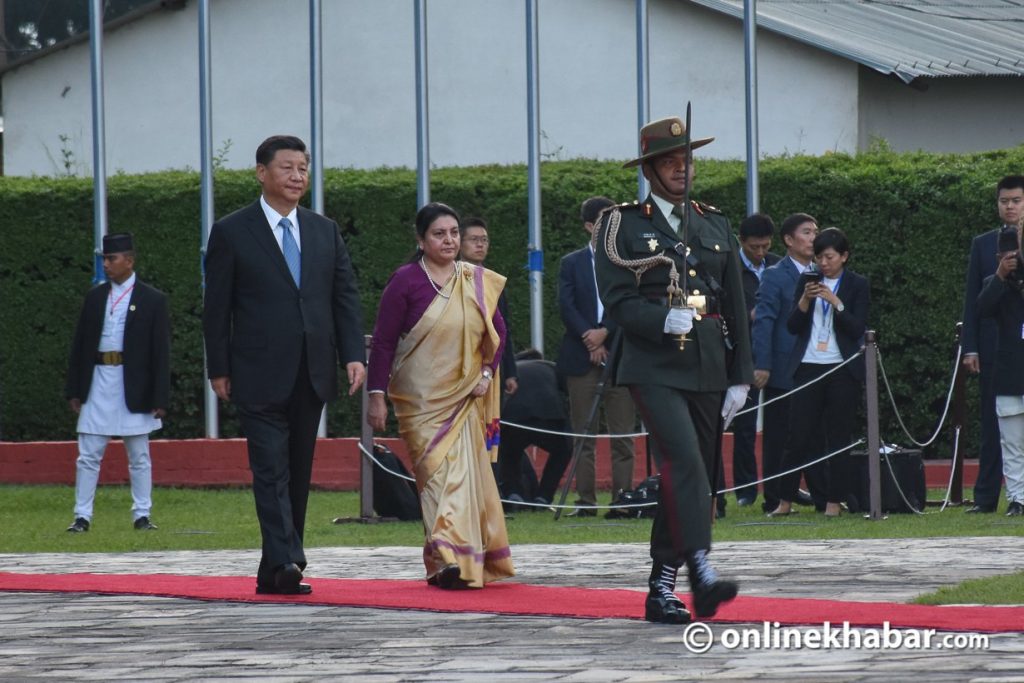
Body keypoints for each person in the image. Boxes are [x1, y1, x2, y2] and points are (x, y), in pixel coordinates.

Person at [593, 115, 749, 624]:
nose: (682, 170)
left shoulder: (714, 222)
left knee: (694, 475)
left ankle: (662, 587)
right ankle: (701, 570)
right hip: (652, 362)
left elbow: (734, 303)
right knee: (683, 462)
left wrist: (741, 373)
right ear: (650, 171)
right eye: (670, 162)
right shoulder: (622, 224)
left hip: (707, 362)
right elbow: (617, 303)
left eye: (687, 160)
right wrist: (663, 319)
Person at [202, 135, 365, 596]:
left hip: (311, 370)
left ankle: (274, 569)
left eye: (303, 168)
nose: (297, 177)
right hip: (256, 371)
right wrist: (219, 365)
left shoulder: (323, 230)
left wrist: (354, 354)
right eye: (287, 168)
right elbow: (217, 307)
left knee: (296, 469)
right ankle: (290, 559)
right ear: (262, 173)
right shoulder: (232, 231)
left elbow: (344, 297)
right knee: (270, 467)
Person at [367, 202, 515, 589]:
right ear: (421, 240)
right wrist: (376, 394)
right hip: (419, 403)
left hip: (465, 397)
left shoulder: (475, 280)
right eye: (439, 234)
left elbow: (497, 334)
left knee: (462, 480)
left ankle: (451, 561)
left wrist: (485, 373)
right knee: (434, 479)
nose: (449, 240)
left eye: (453, 233)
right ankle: (445, 559)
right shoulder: (405, 282)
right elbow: (383, 343)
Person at [64, 232, 170, 533]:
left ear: (129, 261)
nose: (107, 265)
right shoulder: (95, 297)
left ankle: (142, 514)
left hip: (133, 384)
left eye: (112, 259)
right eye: (105, 259)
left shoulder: (152, 299)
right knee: (88, 454)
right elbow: (80, 345)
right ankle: (82, 516)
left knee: (139, 455)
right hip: (98, 379)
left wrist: (160, 397)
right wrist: (74, 389)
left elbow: (161, 353)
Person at [769, 227, 869, 518]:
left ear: (844, 256)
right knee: (797, 436)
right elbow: (792, 326)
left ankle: (834, 502)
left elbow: (857, 327)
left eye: (829, 257)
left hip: (841, 367)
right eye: (819, 258)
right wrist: (805, 300)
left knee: (838, 437)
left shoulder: (857, 284)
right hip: (808, 366)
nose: (823, 264)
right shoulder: (807, 280)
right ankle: (784, 500)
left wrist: (835, 303)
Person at [556, 195, 636, 517]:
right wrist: (590, 338)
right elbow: (566, 306)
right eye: (606, 219)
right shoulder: (571, 263)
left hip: (620, 356)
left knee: (623, 434)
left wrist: (606, 331)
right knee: (583, 435)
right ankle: (586, 502)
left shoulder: (629, 261)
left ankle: (622, 500)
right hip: (581, 357)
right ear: (590, 226)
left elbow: (631, 303)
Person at [752, 213, 827, 513]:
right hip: (783, 368)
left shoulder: (824, 271)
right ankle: (775, 496)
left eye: (815, 232)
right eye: (807, 232)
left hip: (816, 364)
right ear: (788, 240)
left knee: (814, 434)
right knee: (779, 436)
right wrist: (763, 364)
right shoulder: (774, 275)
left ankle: (822, 494)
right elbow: (764, 321)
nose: (813, 238)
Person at [961, 175, 1024, 513]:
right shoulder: (984, 244)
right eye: (1004, 201)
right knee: (993, 425)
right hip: (994, 348)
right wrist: (969, 347)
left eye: (1016, 200)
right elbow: (974, 299)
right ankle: (986, 498)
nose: (1010, 206)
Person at [731, 213, 780, 507]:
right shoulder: (730, 267)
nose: (760, 253)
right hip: (743, 357)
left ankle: (781, 489)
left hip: (777, 356)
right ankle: (745, 490)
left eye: (765, 246)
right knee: (745, 427)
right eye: (754, 248)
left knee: (781, 427)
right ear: (742, 242)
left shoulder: (777, 265)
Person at [977, 222, 1024, 517]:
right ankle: (1018, 497)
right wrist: (1001, 275)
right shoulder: (995, 283)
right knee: (1012, 442)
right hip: (1009, 370)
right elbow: (982, 309)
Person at [496, 348, 572, 509]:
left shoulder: (513, 369)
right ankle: (544, 496)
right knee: (563, 449)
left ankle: (513, 494)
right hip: (548, 414)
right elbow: (568, 391)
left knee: (509, 451)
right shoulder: (550, 366)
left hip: (513, 416)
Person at [460, 217, 518, 396]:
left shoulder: (494, 282)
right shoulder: (449, 279)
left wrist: (511, 373)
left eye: (484, 240)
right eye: (474, 240)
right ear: (459, 243)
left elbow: (503, 330)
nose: (480, 245)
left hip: (492, 368)